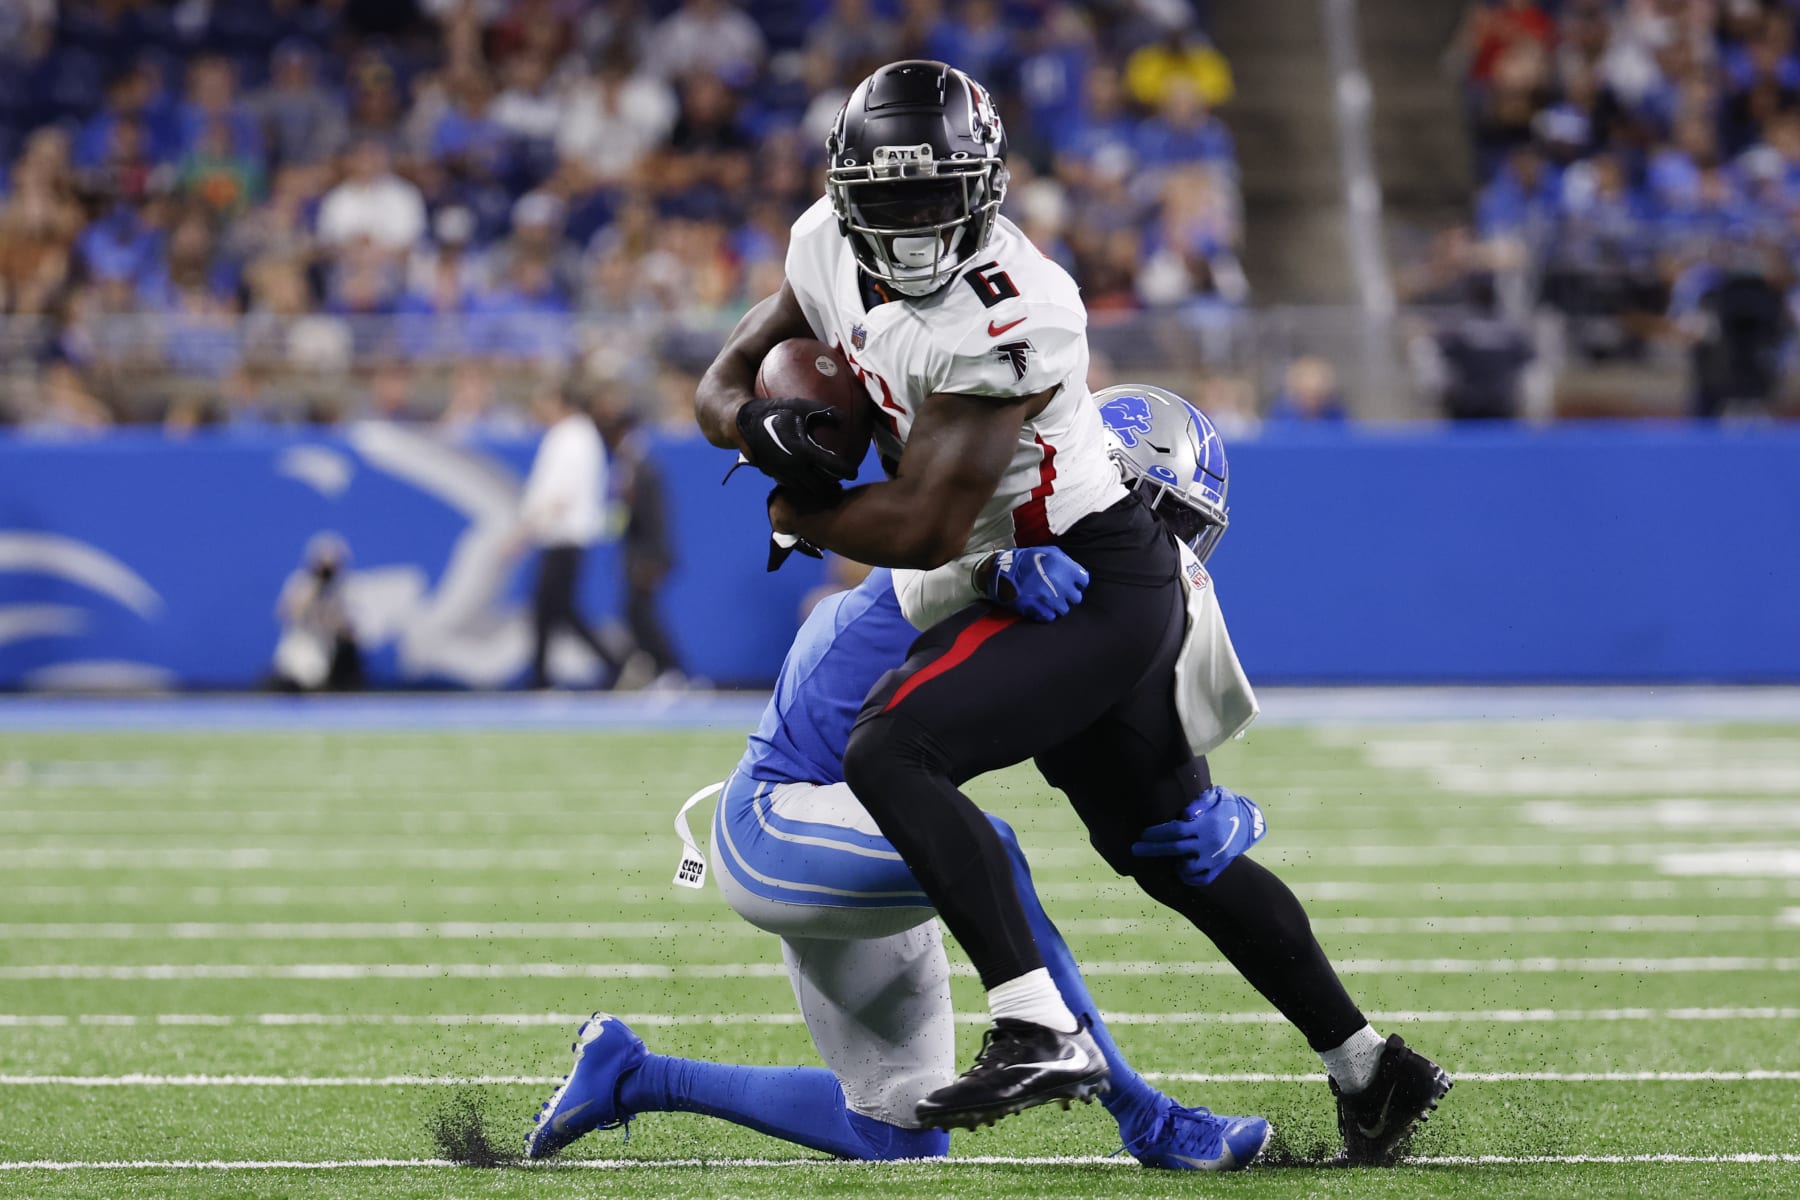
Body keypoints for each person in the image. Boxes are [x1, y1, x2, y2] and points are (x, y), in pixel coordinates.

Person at [692, 61, 1450, 1153]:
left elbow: (929, 530)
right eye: (890, 199)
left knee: (894, 749)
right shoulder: (822, 246)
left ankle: (1036, 1025)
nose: (913, 227)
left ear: (986, 187)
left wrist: (793, 509)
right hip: (1038, 574)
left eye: (934, 195)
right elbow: (726, 377)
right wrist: (749, 424)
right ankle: (1371, 1067)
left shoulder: (1021, 307)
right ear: (845, 195)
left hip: (1080, 574)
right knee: (1171, 853)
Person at [525, 389, 1272, 1170]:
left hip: (864, 826)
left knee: (896, 1131)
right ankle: (1148, 1120)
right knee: (987, 848)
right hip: (777, 820)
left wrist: (1233, 812)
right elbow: (924, 561)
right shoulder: (995, 551)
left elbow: (1118, 748)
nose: (1164, 548)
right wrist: (990, 567)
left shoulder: (1070, 594)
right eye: (1159, 518)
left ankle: (632, 1076)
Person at [518, 381, 624, 689]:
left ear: (557, 400)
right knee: (550, 609)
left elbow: (560, 493)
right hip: (560, 537)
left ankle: (613, 664)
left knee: (557, 609)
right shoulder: (574, 435)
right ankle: (542, 676)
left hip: (564, 537)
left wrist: (524, 532)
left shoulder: (572, 437)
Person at [271, 532, 362, 691]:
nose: (326, 571)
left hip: (324, 651)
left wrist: (333, 617)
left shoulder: (344, 588)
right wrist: (312, 592)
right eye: (322, 565)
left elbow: (351, 632)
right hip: (297, 647)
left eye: (331, 565)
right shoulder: (300, 582)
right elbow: (285, 613)